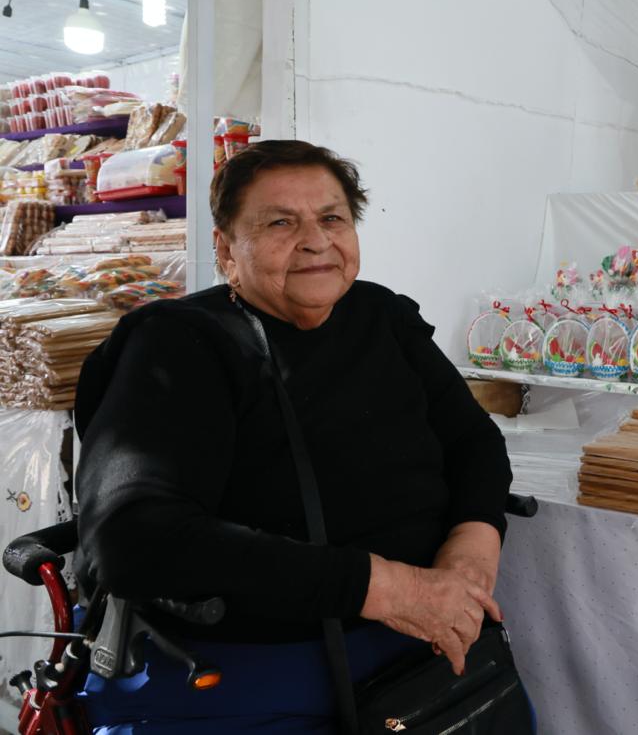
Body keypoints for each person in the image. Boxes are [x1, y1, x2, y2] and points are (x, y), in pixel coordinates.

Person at [73, 140, 514, 733]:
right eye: (280, 223)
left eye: (332, 218)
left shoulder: (381, 317)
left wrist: (469, 557)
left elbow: (474, 443)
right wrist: (390, 590)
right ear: (226, 249)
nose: (315, 240)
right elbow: (131, 538)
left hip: (425, 654)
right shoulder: (178, 344)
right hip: (258, 670)